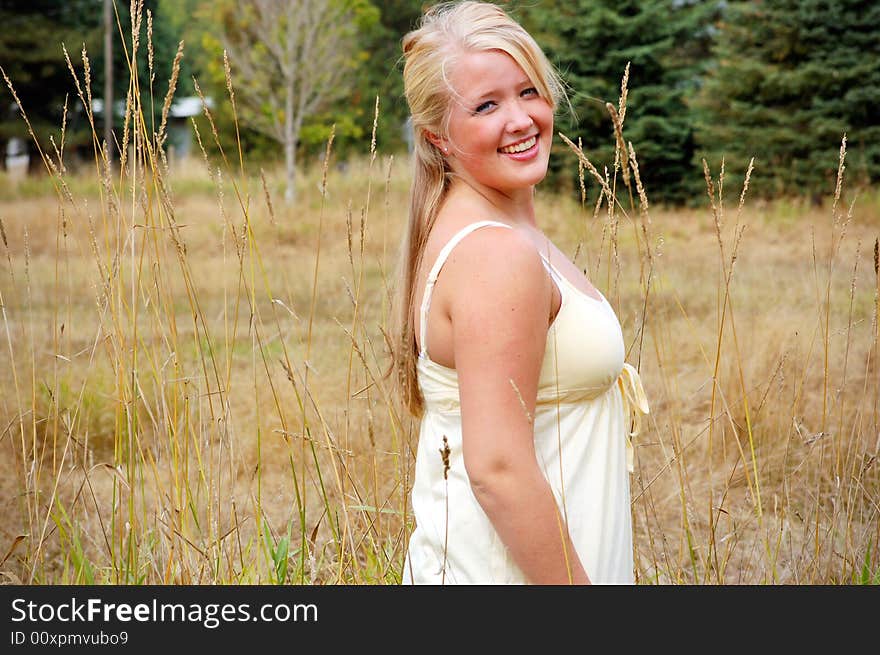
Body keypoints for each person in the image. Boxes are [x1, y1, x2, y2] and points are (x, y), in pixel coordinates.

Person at [391, 0, 649, 585]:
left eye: (528, 91)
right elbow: (498, 469)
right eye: (486, 105)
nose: (521, 119)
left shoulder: (500, 230)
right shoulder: (494, 254)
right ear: (438, 137)